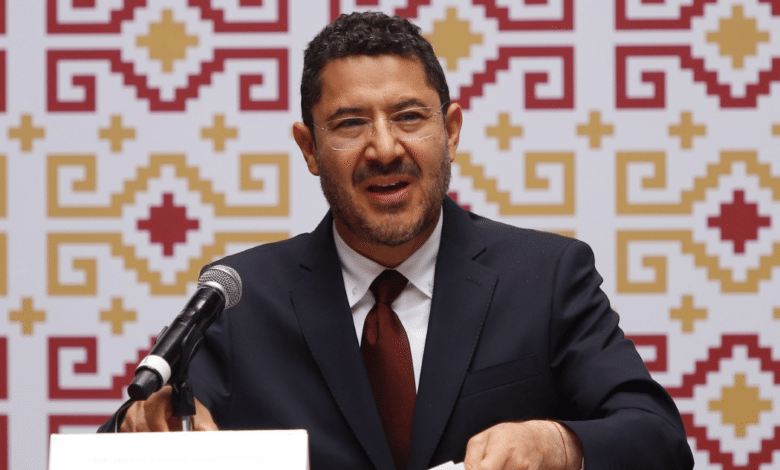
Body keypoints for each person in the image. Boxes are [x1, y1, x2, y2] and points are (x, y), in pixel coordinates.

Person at [103, 11, 694, 470]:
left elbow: (658, 437)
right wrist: (143, 432)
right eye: (350, 123)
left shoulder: (546, 276)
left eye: (410, 116)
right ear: (310, 149)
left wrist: (558, 443)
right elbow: (116, 443)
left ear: (450, 131)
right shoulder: (240, 298)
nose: (385, 148)